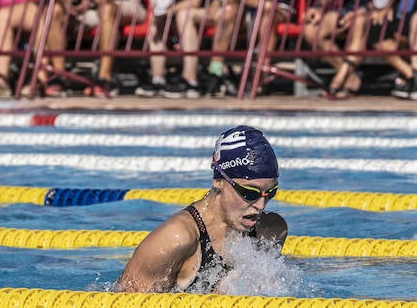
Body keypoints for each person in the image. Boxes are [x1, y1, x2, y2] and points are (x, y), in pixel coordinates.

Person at [114, 125, 287, 294]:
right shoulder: (176, 238)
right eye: (249, 192)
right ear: (219, 181)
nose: (260, 205)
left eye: (270, 192)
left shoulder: (270, 231)